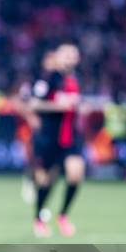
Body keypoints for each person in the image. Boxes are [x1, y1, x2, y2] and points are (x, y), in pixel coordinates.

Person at [29, 44, 84, 237]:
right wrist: (57, 105)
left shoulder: (76, 79)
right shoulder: (48, 78)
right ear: (58, 57)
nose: (70, 58)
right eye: (66, 55)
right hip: (50, 138)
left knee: (75, 174)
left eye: (73, 55)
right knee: (47, 181)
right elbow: (34, 103)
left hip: (71, 138)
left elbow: (74, 104)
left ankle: (63, 216)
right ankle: (38, 217)